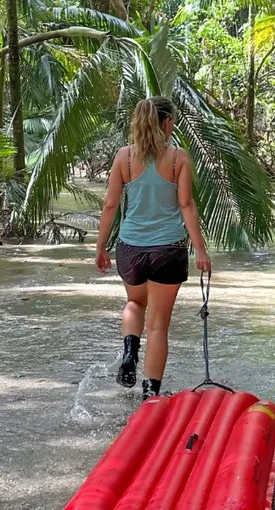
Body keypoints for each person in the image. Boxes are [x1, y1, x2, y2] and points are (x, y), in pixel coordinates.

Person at [95, 96, 211, 400]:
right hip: (168, 249)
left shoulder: (124, 157)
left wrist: (100, 247)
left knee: (135, 304)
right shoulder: (178, 158)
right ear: (167, 121)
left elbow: (110, 205)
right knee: (158, 326)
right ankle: (150, 394)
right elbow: (186, 205)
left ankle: (130, 353)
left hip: (130, 247)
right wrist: (200, 250)